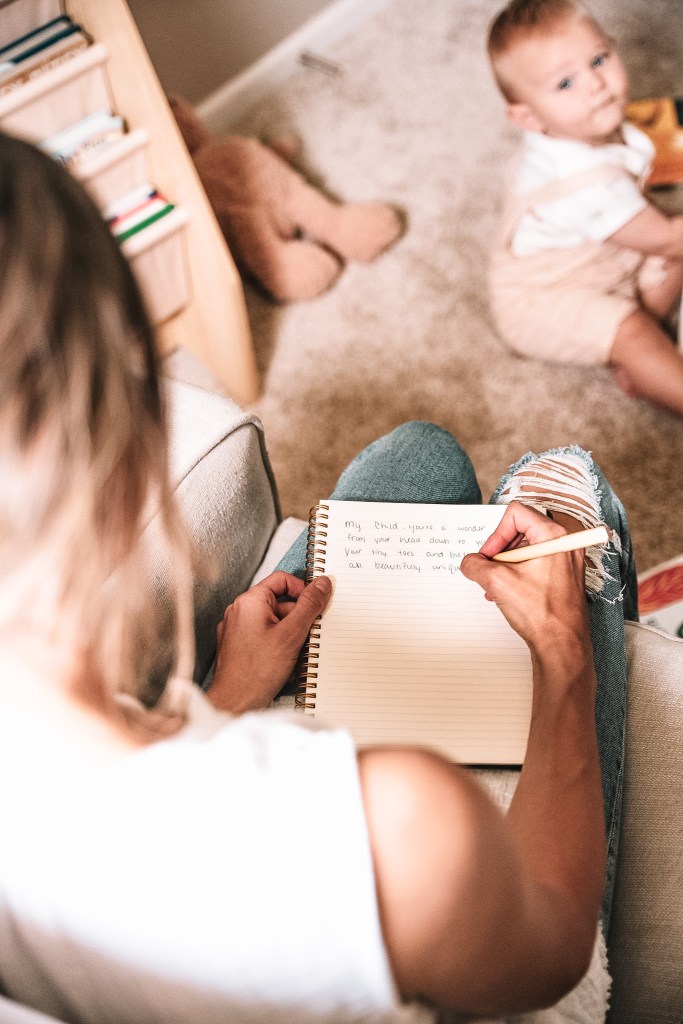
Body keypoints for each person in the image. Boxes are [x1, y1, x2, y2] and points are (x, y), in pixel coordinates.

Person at [0, 129, 637, 1024]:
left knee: (414, 460)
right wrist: (565, 661)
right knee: (566, 486)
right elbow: (553, 956)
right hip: (496, 953)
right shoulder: (397, 824)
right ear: (123, 445)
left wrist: (223, 696)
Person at [486, 0, 683, 417]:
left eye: (599, 59)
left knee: (668, 263)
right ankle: (641, 359)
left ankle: (636, 359)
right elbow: (668, 238)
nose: (595, 83)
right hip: (544, 298)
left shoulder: (580, 127)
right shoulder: (584, 183)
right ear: (529, 118)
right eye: (565, 84)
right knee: (633, 329)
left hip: (603, 255)